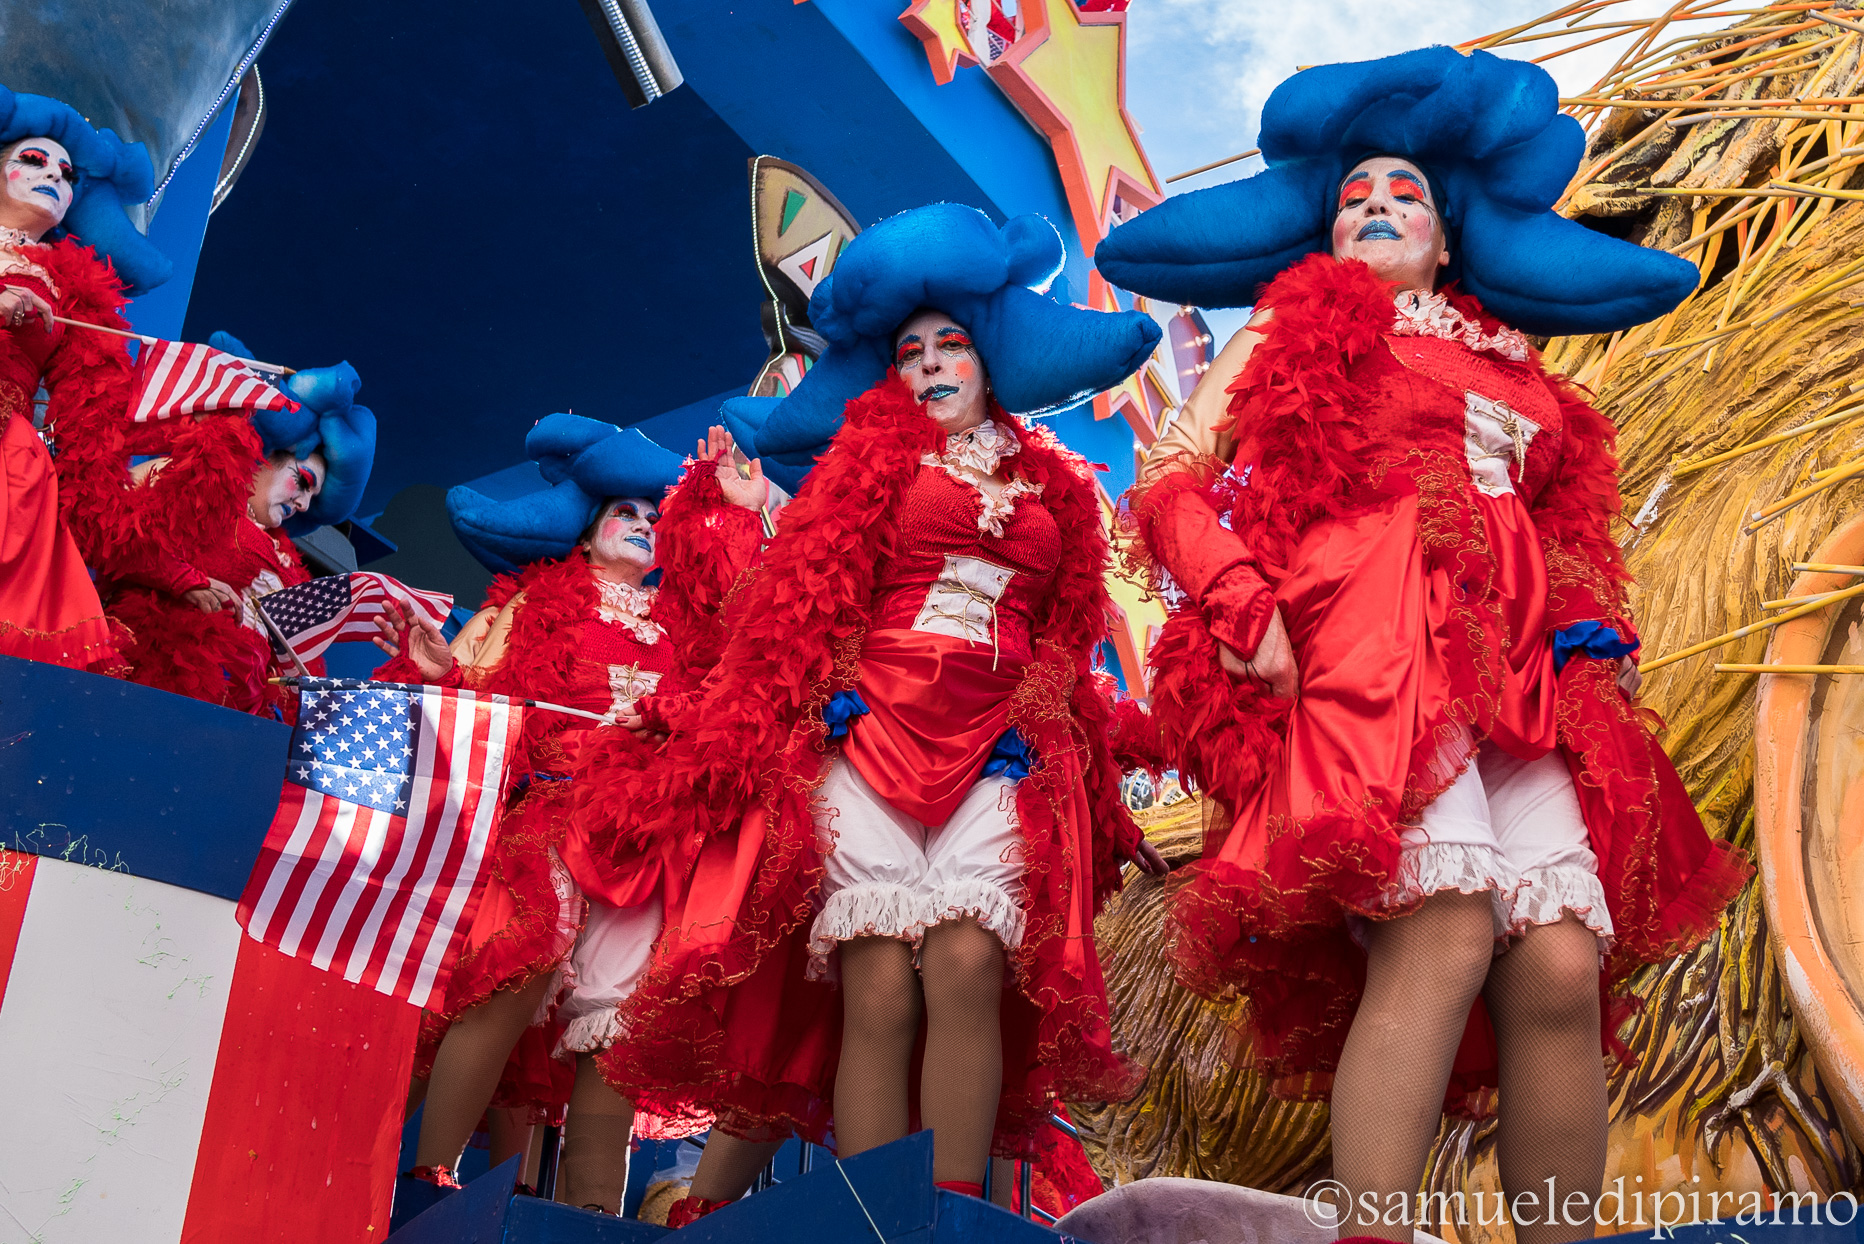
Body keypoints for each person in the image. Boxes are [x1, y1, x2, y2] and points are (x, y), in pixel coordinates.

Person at [1094, 48, 1752, 1244]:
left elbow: (1564, 522)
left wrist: (1591, 626)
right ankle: (1371, 1236)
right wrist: (1239, 594)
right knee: (1442, 926)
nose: (1377, 204)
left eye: (1404, 192)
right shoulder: (1284, 335)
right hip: (1378, 649)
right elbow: (1171, 475)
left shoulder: (1516, 365)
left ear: (1448, 239)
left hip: (1524, 681)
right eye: (1353, 194)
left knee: (1556, 964)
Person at [576, 204, 1167, 1225]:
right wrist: (721, 514)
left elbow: (1071, 646)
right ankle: (871, 1217)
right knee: (882, 988)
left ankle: (947, 1215)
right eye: (911, 352)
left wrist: (1107, 767)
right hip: (872, 735)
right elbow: (776, 609)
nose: (933, 363)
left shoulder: (1060, 493)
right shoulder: (860, 468)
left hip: (999, 748)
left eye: (952, 345)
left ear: (990, 359)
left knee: (969, 960)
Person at [377, 414, 764, 1213]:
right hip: (551, 821)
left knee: (617, 1026)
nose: (643, 527)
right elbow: (481, 712)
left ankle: (594, 1221)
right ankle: (429, 1181)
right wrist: (445, 673)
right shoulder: (535, 606)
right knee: (515, 971)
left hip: (646, 844)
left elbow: (728, 690)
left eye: (655, 518)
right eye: (626, 513)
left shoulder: (682, 626)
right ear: (586, 534)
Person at [103, 345, 374, 719]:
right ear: (266, 456)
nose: (304, 505)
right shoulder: (188, 478)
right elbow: (108, 535)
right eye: (303, 482)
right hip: (158, 688)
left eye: (314, 497)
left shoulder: (285, 555)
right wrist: (182, 579)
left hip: (237, 726)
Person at [0, 86, 173, 672]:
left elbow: (92, 422)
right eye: (33, 159)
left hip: (12, 472)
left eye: (66, 172)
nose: (52, 174)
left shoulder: (68, 285)